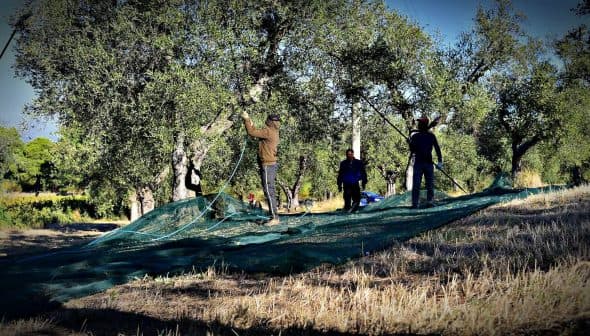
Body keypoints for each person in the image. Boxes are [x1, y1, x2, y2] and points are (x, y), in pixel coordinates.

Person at [241, 111, 281, 225]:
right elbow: (256, 133)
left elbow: (251, 132)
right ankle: (273, 216)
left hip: (268, 165)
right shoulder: (273, 131)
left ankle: (275, 218)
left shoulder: (268, 131)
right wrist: (251, 123)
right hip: (270, 164)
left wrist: (246, 119)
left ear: (270, 121)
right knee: (269, 190)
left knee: (269, 191)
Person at [409, 117, 443, 209]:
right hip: (418, 164)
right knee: (416, 185)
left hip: (428, 163)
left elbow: (437, 149)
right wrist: (410, 143)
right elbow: (413, 150)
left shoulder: (431, 136)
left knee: (430, 185)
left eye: (420, 123)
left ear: (424, 125)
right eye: (419, 123)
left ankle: (430, 202)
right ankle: (415, 204)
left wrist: (440, 161)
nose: (419, 125)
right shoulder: (415, 136)